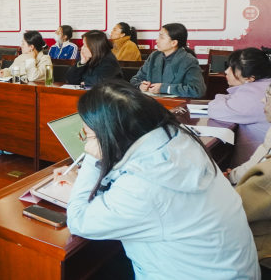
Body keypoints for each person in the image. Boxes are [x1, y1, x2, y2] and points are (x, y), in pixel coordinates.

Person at [66, 80, 260, 280]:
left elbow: (79, 220)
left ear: (113, 135)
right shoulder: (179, 140)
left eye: (89, 136)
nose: (87, 145)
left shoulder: (142, 188)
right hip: (231, 270)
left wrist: (93, 160)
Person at [208, 48, 271, 168]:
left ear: (250, 78)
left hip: (254, 171)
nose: (226, 71)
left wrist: (220, 97)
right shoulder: (266, 85)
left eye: (232, 68)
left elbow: (214, 109)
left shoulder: (253, 93)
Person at [235, 85, 271, 266]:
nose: (262, 100)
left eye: (268, 95)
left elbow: (235, 210)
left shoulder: (266, 178)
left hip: (260, 252)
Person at [130, 23, 206, 98]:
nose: (157, 40)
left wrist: (166, 88)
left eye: (161, 37)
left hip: (176, 104)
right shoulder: (154, 56)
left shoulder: (188, 61)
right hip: (152, 102)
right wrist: (140, 85)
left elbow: (197, 90)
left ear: (174, 43)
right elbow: (135, 79)